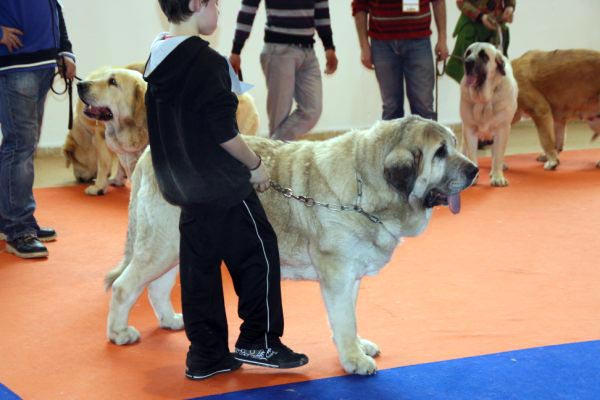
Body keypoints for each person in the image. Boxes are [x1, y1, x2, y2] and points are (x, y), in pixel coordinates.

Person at [145, 0, 309, 381]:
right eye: (216, 3)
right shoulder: (207, 62)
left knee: (199, 269)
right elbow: (225, 133)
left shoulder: (157, 55)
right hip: (221, 186)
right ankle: (259, 339)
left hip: (183, 184)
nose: (219, 12)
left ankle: (206, 354)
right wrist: (255, 165)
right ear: (195, 4)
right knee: (260, 253)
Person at [0, 0, 76, 259]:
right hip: (15, 66)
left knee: (23, 147)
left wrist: (65, 51)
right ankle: (17, 229)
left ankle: (15, 219)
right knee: (20, 148)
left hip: (43, 65)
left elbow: (54, 7)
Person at [229, 0, 338, 141]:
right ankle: (274, 155)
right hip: (278, 49)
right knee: (279, 118)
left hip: (308, 50)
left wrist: (329, 47)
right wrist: (236, 50)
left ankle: (272, 150)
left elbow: (321, 10)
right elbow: (248, 9)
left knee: (312, 110)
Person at [352, 0, 449, 121]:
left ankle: (426, 140)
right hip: (382, 44)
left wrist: (442, 39)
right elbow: (359, 5)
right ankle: (393, 140)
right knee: (391, 108)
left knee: (424, 108)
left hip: (419, 40)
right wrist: (364, 46)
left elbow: (438, 1)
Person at [446, 0, 515, 84]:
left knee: (497, 77)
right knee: (470, 81)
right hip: (472, 31)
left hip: (495, 30)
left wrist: (509, 6)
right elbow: (461, 2)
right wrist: (481, 16)